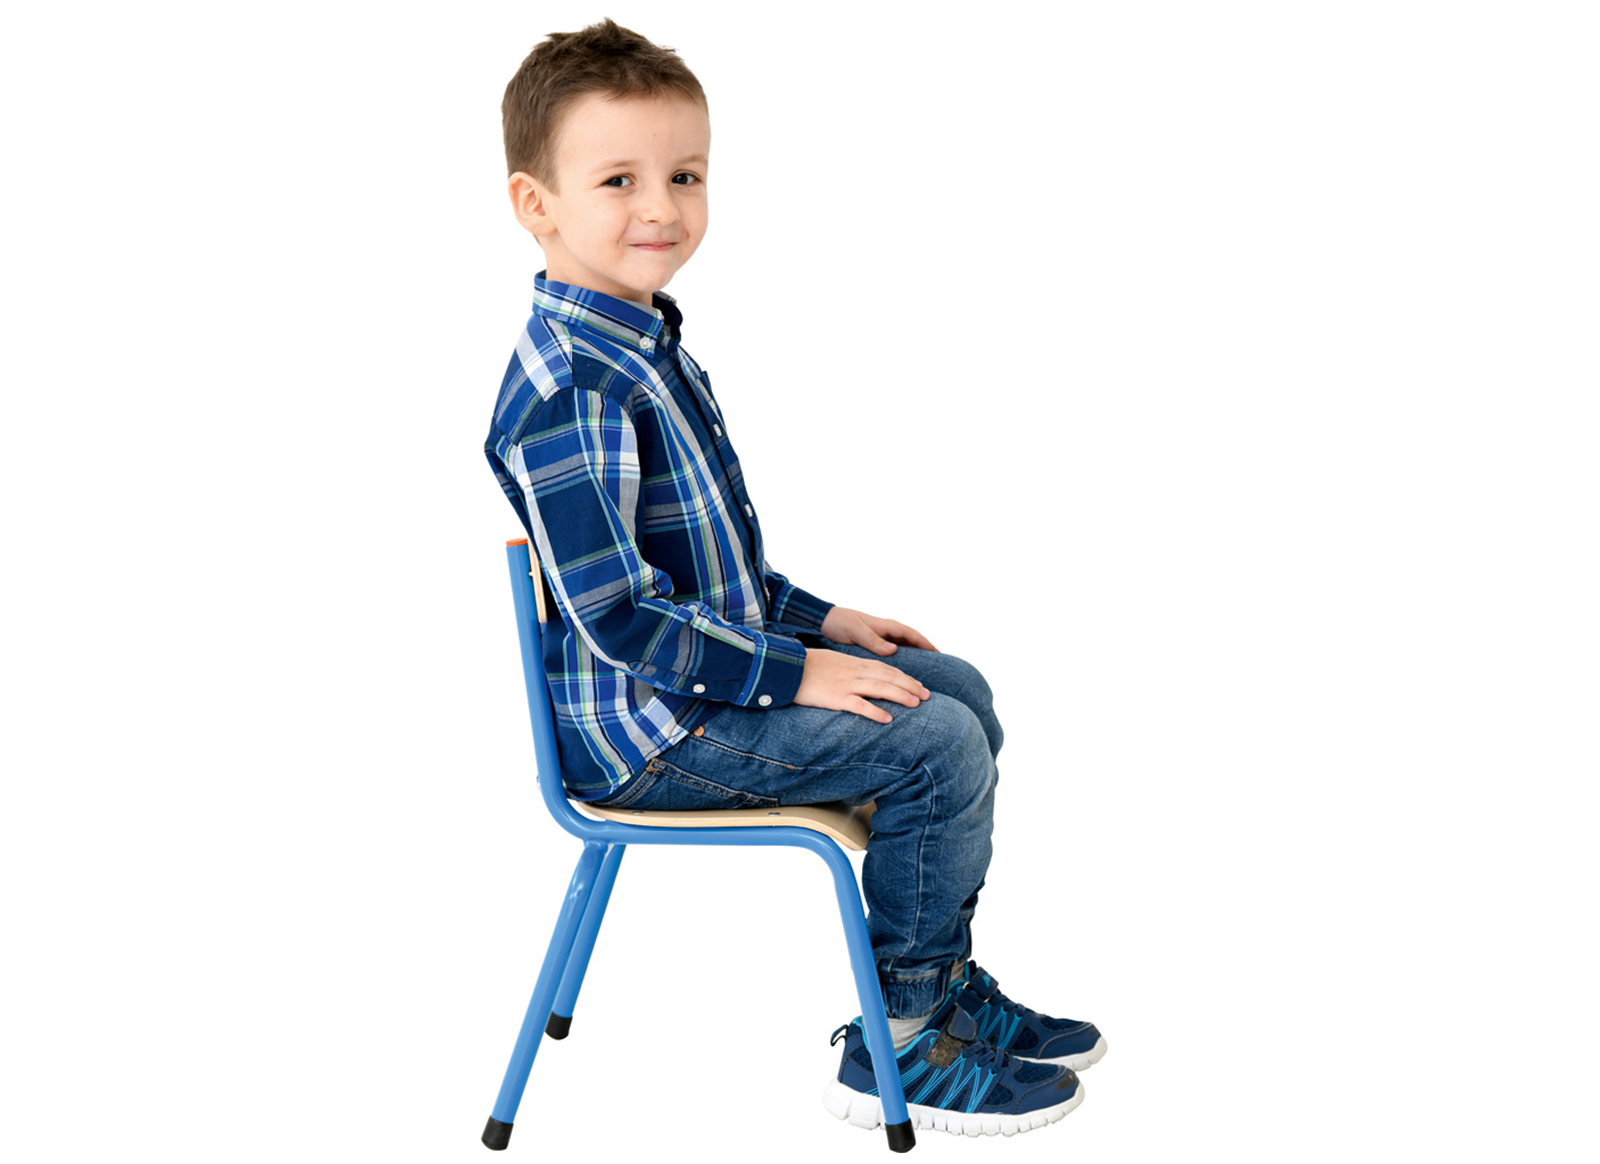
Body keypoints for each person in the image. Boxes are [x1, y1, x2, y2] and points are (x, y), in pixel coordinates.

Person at [484, 19, 1106, 1138]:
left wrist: (825, 624)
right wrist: (798, 672)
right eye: (619, 180)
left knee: (955, 688)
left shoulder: (643, 345)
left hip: (695, 682)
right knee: (934, 745)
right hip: (650, 729)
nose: (661, 207)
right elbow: (623, 617)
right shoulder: (578, 386)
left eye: (684, 175)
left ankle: (937, 979)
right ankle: (900, 1039)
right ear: (538, 203)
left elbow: (716, 568)